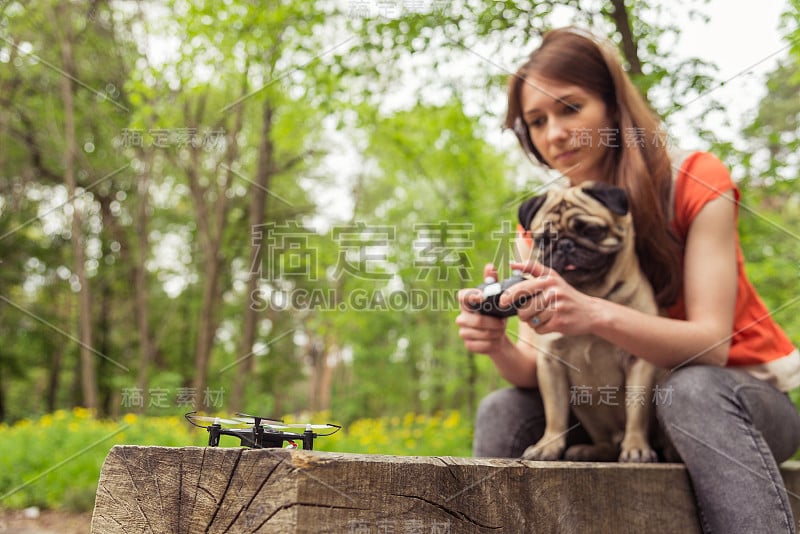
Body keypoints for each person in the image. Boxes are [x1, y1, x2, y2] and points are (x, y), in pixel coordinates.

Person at [455, 26, 800, 533]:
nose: (553, 133)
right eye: (536, 121)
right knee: (505, 408)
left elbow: (711, 346)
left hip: (741, 396)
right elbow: (540, 364)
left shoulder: (694, 179)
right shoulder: (542, 222)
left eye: (570, 108)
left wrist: (596, 313)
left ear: (613, 108)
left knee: (690, 389)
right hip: (615, 409)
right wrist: (498, 344)